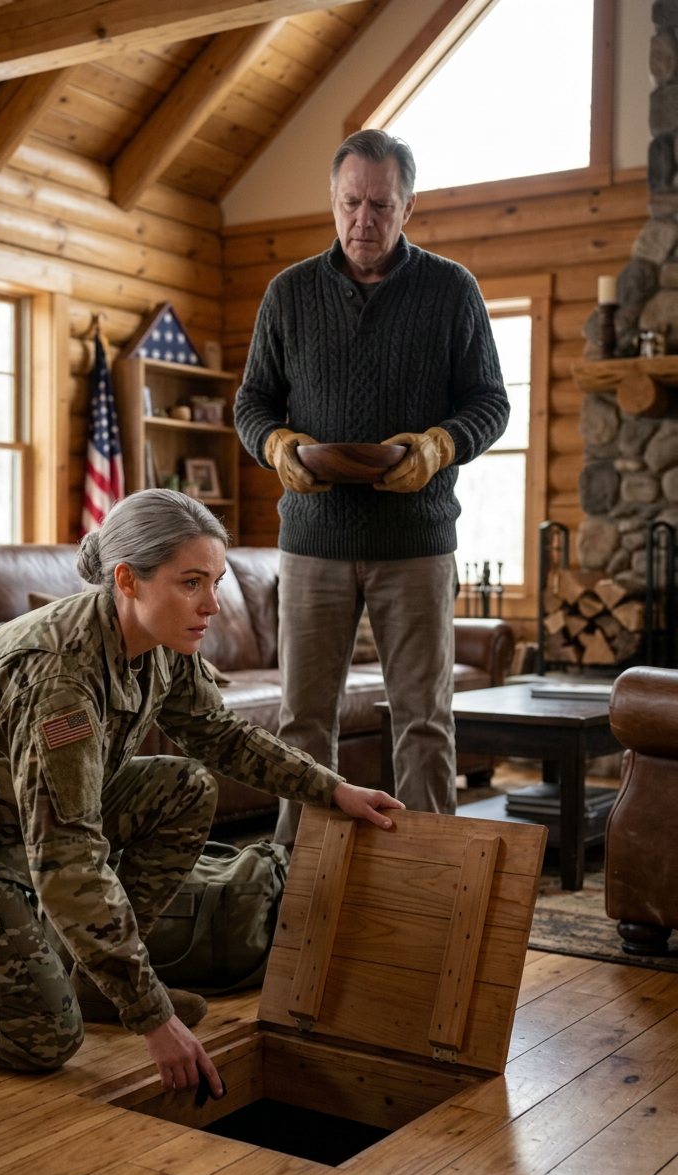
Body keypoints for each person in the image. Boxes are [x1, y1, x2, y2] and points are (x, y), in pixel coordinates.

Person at [0, 489, 403, 1096]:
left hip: (19, 826)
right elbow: (69, 862)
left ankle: (87, 977)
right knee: (40, 1042)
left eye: (216, 581)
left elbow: (220, 736)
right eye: (191, 583)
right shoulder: (60, 681)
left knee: (184, 787)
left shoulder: (163, 642)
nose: (212, 604)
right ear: (128, 579)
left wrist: (333, 789)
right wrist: (152, 1015)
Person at [234, 129, 509, 849]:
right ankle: (292, 878)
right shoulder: (288, 293)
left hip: (415, 541)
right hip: (313, 543)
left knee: (424, 718)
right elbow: (251, 403)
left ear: (408, 205)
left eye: (380, 204)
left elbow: (490, 402)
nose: (364, 219)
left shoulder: (452, 289)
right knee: (302, 723)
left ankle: (429, 879)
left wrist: (439, 445)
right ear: (333, 200)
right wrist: (277, 446)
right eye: (351, 202)